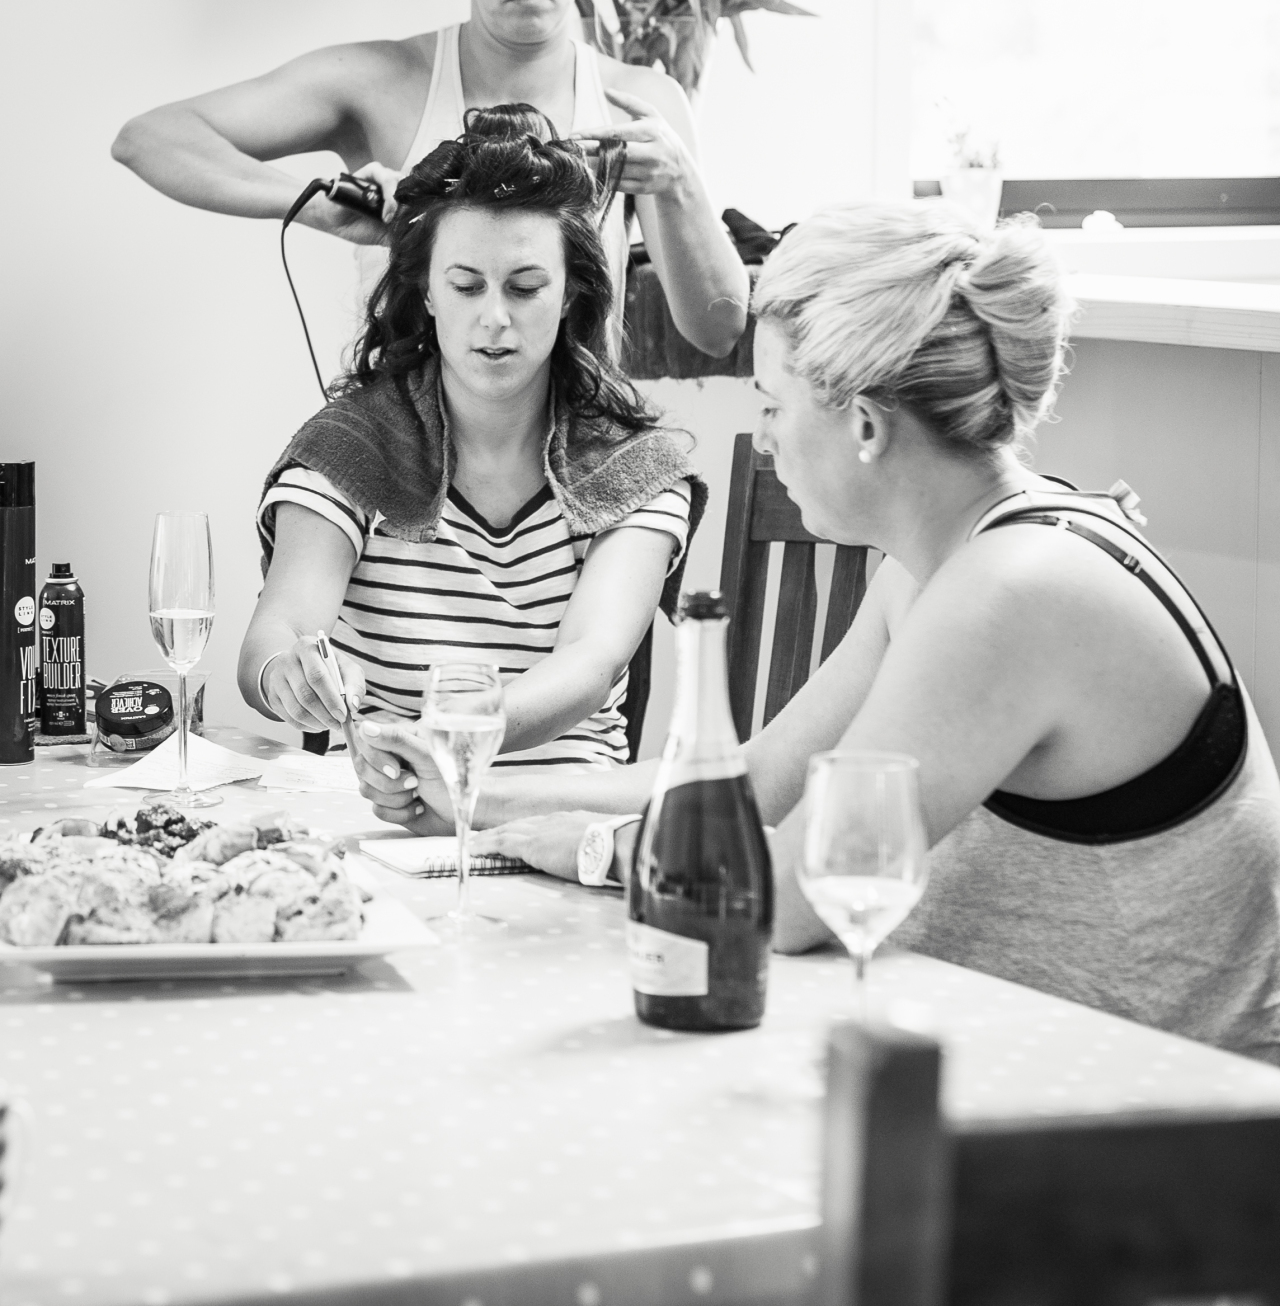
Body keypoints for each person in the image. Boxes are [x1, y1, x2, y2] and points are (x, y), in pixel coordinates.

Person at [359, 201, 1280, 1064]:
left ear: (866, 425)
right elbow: (757, 784)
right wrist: (480, 798)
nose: (762, 440)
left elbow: (796, 894)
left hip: (1160, 1116)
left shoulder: (1010, 592)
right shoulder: (940, 564)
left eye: (772, 404)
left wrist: (602, 848)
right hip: (1018, 1063)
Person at [112, 0, 748, 359]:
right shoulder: (379, 83)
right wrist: (315, 207)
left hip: (576, 451)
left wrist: (680, 186)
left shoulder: (640, 107)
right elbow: (150, 139)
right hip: (398, 443)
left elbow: (718, 331)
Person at [237, 105, 704, 788]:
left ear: (569, 294)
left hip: (562, 810)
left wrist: (446, 739)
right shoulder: (346, 448)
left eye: (525, 287)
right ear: (427, 292)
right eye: (465, 286)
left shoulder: (637, 467)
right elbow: (275, 635)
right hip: (383, 807)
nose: (494, 318)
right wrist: (288, 676)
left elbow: (592, 661)